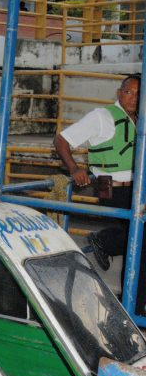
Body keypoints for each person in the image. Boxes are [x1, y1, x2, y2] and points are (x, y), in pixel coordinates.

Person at [54, 75, 140, 273]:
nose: (133, 98)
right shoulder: (102, 116)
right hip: (109, 186)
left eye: (138, 94)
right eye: (128, 92)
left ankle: (133, 291)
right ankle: (104, 240)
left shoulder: (140, 120)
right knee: (139, 235)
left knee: (138, 241)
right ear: (119, 93)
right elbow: (61, 140)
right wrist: (74, 168)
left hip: (136, 188)